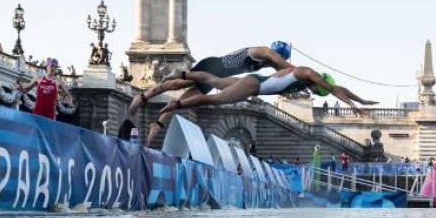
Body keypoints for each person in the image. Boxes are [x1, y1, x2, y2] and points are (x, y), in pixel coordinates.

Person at [130, 41, 295, 146]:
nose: (276, 62)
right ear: (279, 54)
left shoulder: (266, 63)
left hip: (215, 77)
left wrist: (303, 83)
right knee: (175, 84)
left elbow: (281, 74)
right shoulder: (264, 51)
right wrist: (301, 74)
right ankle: (142, 96)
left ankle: (156, 125)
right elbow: (286, 68)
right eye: (279, 58)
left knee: (181, 102)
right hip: (211, 66)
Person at [155, 66, 378, 123]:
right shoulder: (307, 73)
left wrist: (360, 100)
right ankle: (176, 105)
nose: (312, 91)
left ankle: (180, 73)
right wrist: (350, 105)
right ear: (318, 82)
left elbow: (338, 88)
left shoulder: (305, 78)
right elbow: (334, 89)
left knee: (214, 81)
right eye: (315, 90)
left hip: (255, 81)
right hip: (253, 87)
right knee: (213, 98)